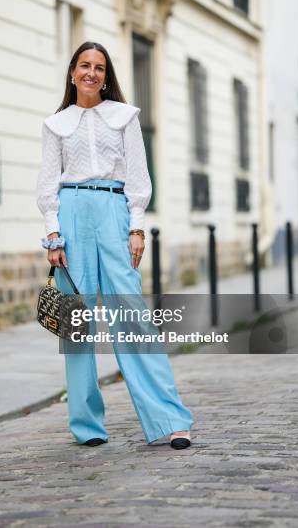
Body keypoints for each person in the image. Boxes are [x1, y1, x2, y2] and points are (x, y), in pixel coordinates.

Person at [36, 41, 194, 449]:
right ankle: (87, 425)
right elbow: (47, 186)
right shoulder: (56, 124)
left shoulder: (125, 117)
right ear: (72, 72)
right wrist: (53, 234)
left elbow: (138, 179)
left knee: (133, 315)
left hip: (113, 211)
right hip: (70, 214)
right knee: (76, 322)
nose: (92, 73)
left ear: (107, 77)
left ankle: (169, 419)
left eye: (100, 67)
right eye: (85, 65)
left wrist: (136, 228)